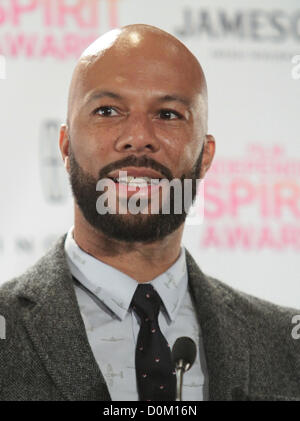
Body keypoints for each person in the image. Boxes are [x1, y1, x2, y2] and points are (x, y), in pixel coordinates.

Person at [0, 24, 299, 402]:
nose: (138, 136)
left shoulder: (288, 345)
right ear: (65, 147)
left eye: (169, 114)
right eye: (107, 110)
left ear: (205, 156)